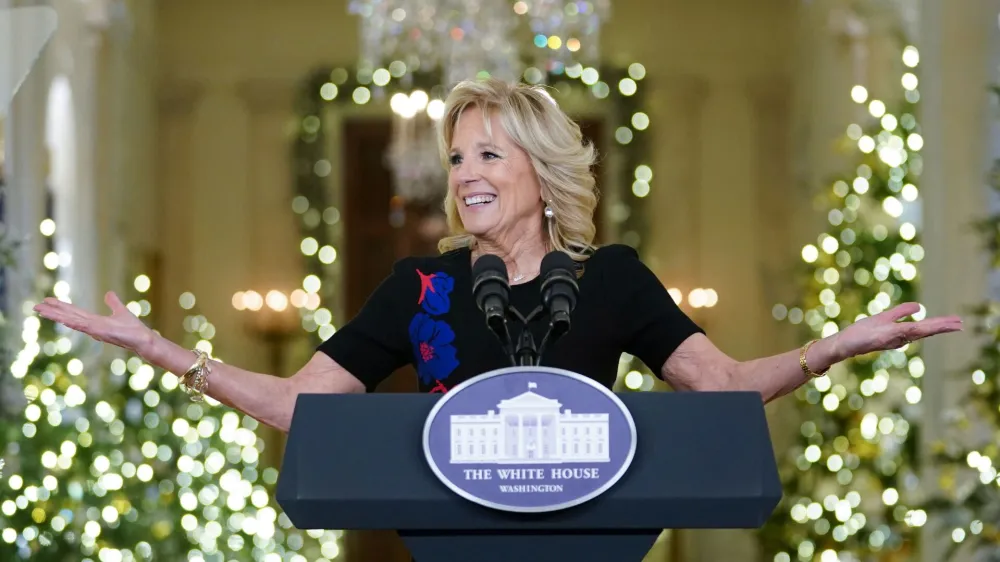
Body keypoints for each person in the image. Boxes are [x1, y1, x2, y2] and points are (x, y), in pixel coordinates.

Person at [33, 77, 963, 434]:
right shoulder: (420, 287)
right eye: (456, 159)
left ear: (542, 170)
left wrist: (833, 347)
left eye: (488, 154)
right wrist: (163, 352)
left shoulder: (612, 278)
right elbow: (296, 403)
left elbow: (721, 386)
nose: (465, 175)